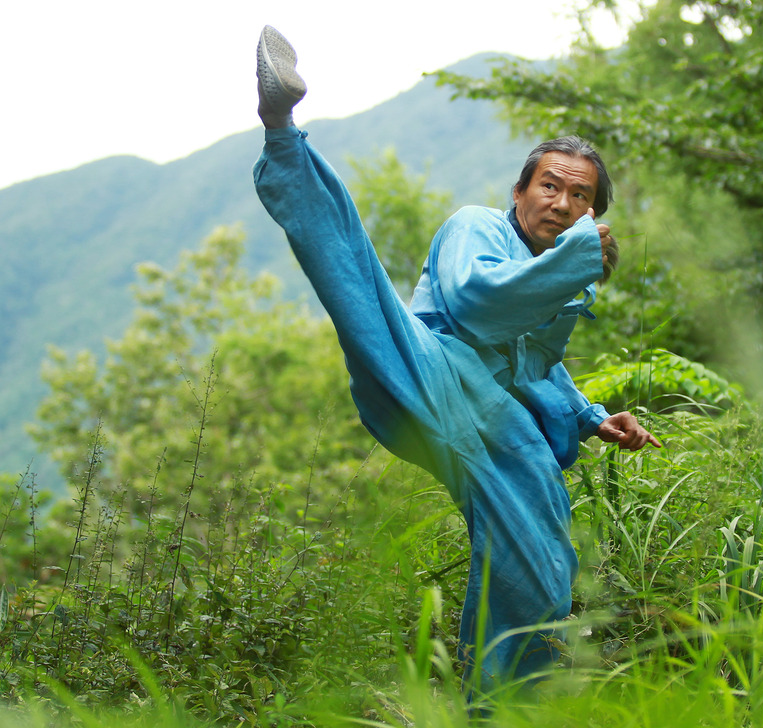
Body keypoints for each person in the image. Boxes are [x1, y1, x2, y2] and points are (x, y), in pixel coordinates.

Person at [252, 25, 661, 695]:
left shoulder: (564, 273)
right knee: (356, 275)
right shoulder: (478, 226)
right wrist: (573, 267)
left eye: (580, 196)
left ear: (594, 210)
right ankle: (281, 130)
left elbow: (533, 364)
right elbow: (479, 305)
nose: (562, 203)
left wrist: (592, 418)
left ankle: (499, 703)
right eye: (550, 186)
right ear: (521, 190)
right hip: (432, 367)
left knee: (541, 561)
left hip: (499, 424)